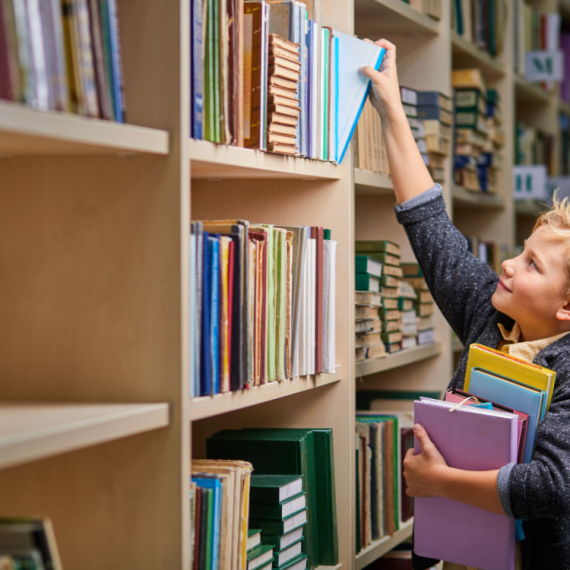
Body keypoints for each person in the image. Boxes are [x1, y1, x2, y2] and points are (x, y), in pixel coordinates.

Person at [360, 40, 570, 570]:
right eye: (521, 252)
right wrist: (389, 105)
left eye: (532, 266)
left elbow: (551, 485)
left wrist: (439, 483)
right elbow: (431, 228)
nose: (508, 264)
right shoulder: (492, 317)